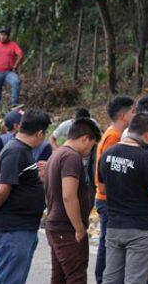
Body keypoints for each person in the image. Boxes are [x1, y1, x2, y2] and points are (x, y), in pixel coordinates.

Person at [99, 113, 148, 284]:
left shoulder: (108, 154)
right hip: (140, 229)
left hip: (114, 226)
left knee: (111, 278)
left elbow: (102, 187)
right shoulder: (146, 157)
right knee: (135, 279)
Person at [0, 109, 51, 284]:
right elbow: (2, 190)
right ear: (40, 133)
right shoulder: (16, 151)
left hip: (23, 228)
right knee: (8, 279)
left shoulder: (22, 150)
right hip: (14, 230)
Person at [44, 118, 102, 284]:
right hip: (67, 228)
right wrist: (79, 229)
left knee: (59, 277)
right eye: (91, 146)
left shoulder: (56, 154)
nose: (90, 151)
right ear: (85, 138)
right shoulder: (71, 157)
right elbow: (68, 195)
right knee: (76, 277)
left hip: (55, 225)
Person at [94, 96, 134, 283]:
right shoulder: (114, 136)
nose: (135, 115)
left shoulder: (113, 134)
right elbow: (107, 168)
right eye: (132, 112)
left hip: (106, 196)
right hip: (107, 197)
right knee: (107, 242)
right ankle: (102, 278)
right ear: (122, 116)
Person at [0, 28, 23, 108]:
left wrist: (15, 66)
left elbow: (20, 55)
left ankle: (14, 104)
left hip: (9, 72)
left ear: (8, 36)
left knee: (16, 82)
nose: (2, 37)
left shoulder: (13, 45)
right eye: (0, 35)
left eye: (4, 35)